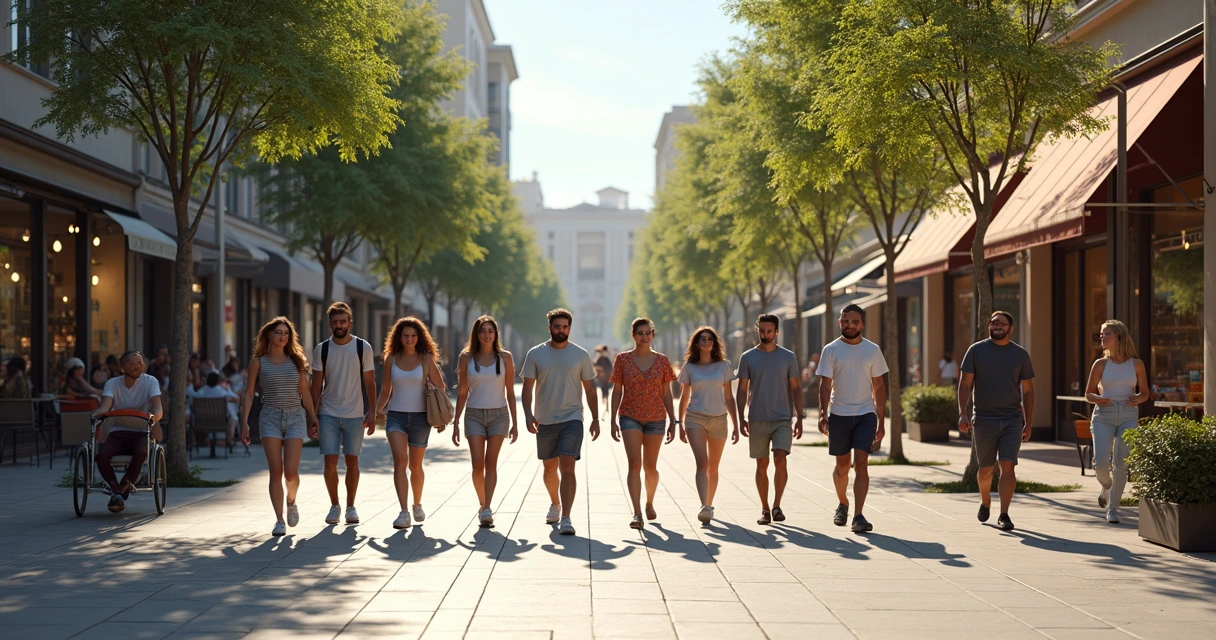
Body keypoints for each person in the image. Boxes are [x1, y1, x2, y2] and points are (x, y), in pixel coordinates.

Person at [520, 308, 600, 536]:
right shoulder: (535, 354)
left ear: (570, 328)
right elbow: (527, 388)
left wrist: (595, 418)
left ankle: (566, 517)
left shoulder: (581, 355)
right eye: (557, 326)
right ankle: (555, 503)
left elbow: (590, 390)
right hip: (544, 419)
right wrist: (527, 414)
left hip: (572, 418)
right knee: (549, 468)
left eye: (565, 327)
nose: (561, 330)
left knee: (568, 466)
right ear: (549, 328)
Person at [240, 317, 319, 537]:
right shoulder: (258, 362)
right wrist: (244, 422)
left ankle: (291, 501)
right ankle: (279, 520)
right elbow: (248, 394)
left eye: (286, 333)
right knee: (276, 471)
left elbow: (305, 393)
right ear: (269, 335)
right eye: (278, 332)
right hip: (269, 418)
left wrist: (313, 417)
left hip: (295, 417)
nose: (283, 336)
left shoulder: (297, 361)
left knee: (291, 473)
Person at [957, 311, 1035, 532]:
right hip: (984, 419)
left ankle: (1004, 514)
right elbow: (965, 384)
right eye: (994, 322)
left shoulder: (1020, 355)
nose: (997, 326)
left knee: (1008, 466)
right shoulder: (976, 351)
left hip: (1012, 419)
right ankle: (985, 501)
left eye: (1002, 323)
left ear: (1011, 328)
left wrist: (1028, 422)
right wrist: (963, 412)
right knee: (985, 470)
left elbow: (1028, 391)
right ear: (989, 326)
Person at [816, 304, 889, 533]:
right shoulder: (831, 350)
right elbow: (825, 385)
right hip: (839, 414)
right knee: (841, 467)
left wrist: (881, 418)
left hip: (866, 413)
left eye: (854, 321)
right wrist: (822, 412)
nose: (850, 325)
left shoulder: (872, 350)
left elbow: (879, 385)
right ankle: (843, 504)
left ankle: (858, 515)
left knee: (862, 463)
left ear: (862, 324)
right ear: (840, 323)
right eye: (846, 321)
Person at [375, 317, 446, 530]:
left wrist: (430, 379)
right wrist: (375, 413)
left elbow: (441, 385)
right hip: (396, 415)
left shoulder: (426, 358)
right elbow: (386, 389)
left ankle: (417, 504)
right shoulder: (391, 359)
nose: (409, 339)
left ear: (419, 338)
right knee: (400, 462)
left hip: (420, 418)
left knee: (415, 466)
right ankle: (404, 512)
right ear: (399, 336)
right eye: (405, 335)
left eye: (413, 336)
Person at [310, 302, 377, 526]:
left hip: (355, 413)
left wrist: (372, 412)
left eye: (343, 321)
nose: (339, 325)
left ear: (350, 322)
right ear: (330, 324)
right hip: (328, 412)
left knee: (352, 462)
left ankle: (351, 506)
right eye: (335, 322)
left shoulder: (362, 347)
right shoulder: (322, 349)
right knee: (330, 461)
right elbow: (315, 386)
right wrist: (312, 416)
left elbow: (370, 383)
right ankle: (334, 505)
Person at [609, 318, 677, 529]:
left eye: (648, 333)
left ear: (653, 335)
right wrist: (612, 419)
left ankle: (649, 502)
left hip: (656, 417)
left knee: (650, 467)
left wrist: (673, 420)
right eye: (640, 333)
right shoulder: (622, 360)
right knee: (634, 464)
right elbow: (617, 391)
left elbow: (667, 392)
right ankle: (637, 512)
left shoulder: (663, 361)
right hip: (629, 416)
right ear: (633, 335)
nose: (644, 337)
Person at [452, 315, 519, 527]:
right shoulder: (466, 358)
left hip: (499, 415)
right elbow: (462, 391)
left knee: (491, 463)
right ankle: (483, 504)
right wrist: (455, 421)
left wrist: (515, 422)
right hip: (473, 415)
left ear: (495, 334)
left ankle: (487, 508)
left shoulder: (505, 357)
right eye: (482, 331)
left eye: (490, 331)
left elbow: (510, 392)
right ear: (476, 334)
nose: (487, 335)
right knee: (477, 465)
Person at [736, 313, 803, 525]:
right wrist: (740, 418)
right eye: (762, 330)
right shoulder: (747, 357)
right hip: (757, 418)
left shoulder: (788, 357)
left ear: (776, 332)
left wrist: (799, 417)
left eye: (769, 331)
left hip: (782, 418)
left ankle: (777, 505)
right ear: (757, 330)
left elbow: (796, 388)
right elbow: (742, 390)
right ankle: (764, 508)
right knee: (762, 464)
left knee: (781, 459)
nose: (765, 334)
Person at [1084, 320, 1149, 524]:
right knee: (1101, 462)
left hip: (1129, 414)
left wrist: (1138, 398)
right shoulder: (1100, 364)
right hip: (1104, 413)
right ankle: (1106, 484)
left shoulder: (1136, 364)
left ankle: (1113, 508)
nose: (1102, 338)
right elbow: (1088, 393)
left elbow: (1145, 392)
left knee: (1121, 463)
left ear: (1119, 336)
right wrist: (1098, 399)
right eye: (1101, 334)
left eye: (1106, 334)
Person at [676, 326, 739, 524]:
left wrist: (736, 424)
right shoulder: (689, 367)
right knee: (702, 463)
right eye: (702, 339)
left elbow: (729, 397)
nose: (706, 342)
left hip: (719, 419)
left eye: (710, 339)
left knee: (713, 467)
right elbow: (684, 396)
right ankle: (704, 505)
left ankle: (709, 505)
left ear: (715, 342)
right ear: (696, 343)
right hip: (695, 418)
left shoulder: (724, 366)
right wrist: (679, 422)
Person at [93, 351, 163, 513]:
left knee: (141, 453)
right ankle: (116, 488)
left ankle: (122, 488)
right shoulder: (113, 384)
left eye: (140, 363)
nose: (137, 366)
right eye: (133, 364)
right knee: (101, 456)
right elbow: (106, 406)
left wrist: (154, 416)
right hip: (117, 432)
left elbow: (157, 407)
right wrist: (99, 413)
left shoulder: (150, 381)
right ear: (123, 367)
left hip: (140, 432)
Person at [189, 371, 241, 447]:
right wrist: (228, 391)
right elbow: (236, 399)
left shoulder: (202, 392)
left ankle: (199, 440)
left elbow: (192, 400)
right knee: (233, 418)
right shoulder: (222, 392)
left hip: (203, 421)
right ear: (218, 381)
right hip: (220, 421)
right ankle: (229, 440)